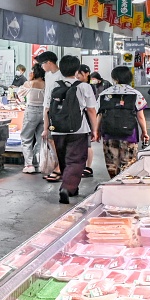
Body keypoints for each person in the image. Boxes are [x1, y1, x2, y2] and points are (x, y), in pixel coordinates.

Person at [45, 55, 99, 204]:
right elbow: (91, 110)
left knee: (63, 160)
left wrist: (47, 129)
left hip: (57, 130)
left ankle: (72, 188)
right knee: (76, 160)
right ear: (77, 70)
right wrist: (94, 130)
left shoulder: (53, 85)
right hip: (78, 129)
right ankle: (67, 187)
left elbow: (47, 109)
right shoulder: (84, 86)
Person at [98, 66, 149, 178]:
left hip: (108, 133)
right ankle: (125, 186)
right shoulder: (136, 93)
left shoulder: (105, 93)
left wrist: (96, 131)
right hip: (129, 134)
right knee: (128, 164)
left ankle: (114, 184)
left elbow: (100, 114)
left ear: (114, 78)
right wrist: (144, 132)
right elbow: (140, 116)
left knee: (112, 164)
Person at [37, 51, 63, 183]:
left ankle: (59, 168)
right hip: (47, 109)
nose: (41, 66)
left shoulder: (61, 75)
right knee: (51, 140)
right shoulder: (48, 75)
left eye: (42, 63)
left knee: (55, 140)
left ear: (49, 62)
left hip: (57, 111)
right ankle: (59, 166)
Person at [18, 64, 46, 174]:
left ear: (35, 72)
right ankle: (37, 163)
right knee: (40, 139)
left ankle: (29, 165)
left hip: (31, 111)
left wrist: (29, 80)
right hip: (43, 112)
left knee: (26, 138)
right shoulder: (46, 84)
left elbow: (19, 95)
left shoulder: (29, 83)